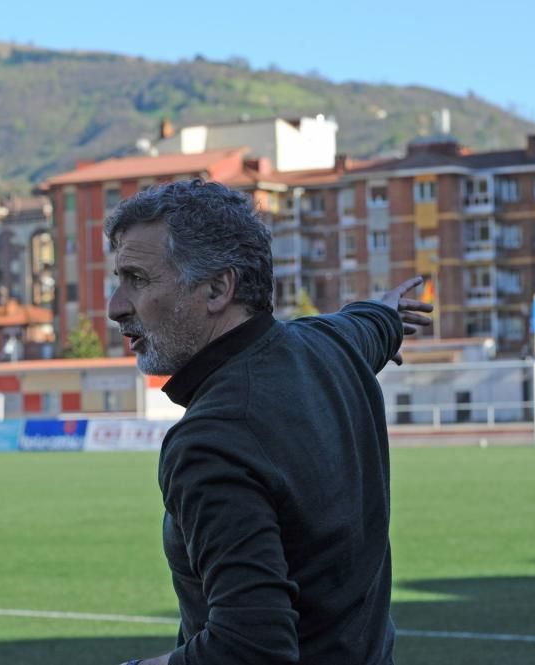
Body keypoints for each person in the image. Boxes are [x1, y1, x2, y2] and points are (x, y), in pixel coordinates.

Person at [107, 179, 433, 665]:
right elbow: (367, 326)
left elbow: (250, 650)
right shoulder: (331, 345)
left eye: (137, 279)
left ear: (219, 288)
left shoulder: (214, 440)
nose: (115, 307)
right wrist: (386, 313)